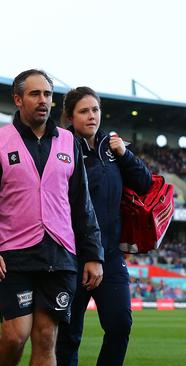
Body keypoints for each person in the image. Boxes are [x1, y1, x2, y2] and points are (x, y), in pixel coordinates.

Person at [0, 69, 104, 366]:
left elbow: (82, 205)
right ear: (18, 99)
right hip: (13, 255)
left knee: (45, 338)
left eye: (48, 94)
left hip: (59, 254)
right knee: (15, 334)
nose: (43, 100)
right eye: (35, 94)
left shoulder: (69, 142)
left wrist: (93, 254)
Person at [56, 87, 152, 366]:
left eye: (95, 110)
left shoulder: (112, 148)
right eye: (84, 111)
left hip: (109, 255)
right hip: (71, 257)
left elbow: (144, 183)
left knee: (120, 325)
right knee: (68, 336)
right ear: (70, 117)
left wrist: (124, 154)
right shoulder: (61, 150)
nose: (91, 116)